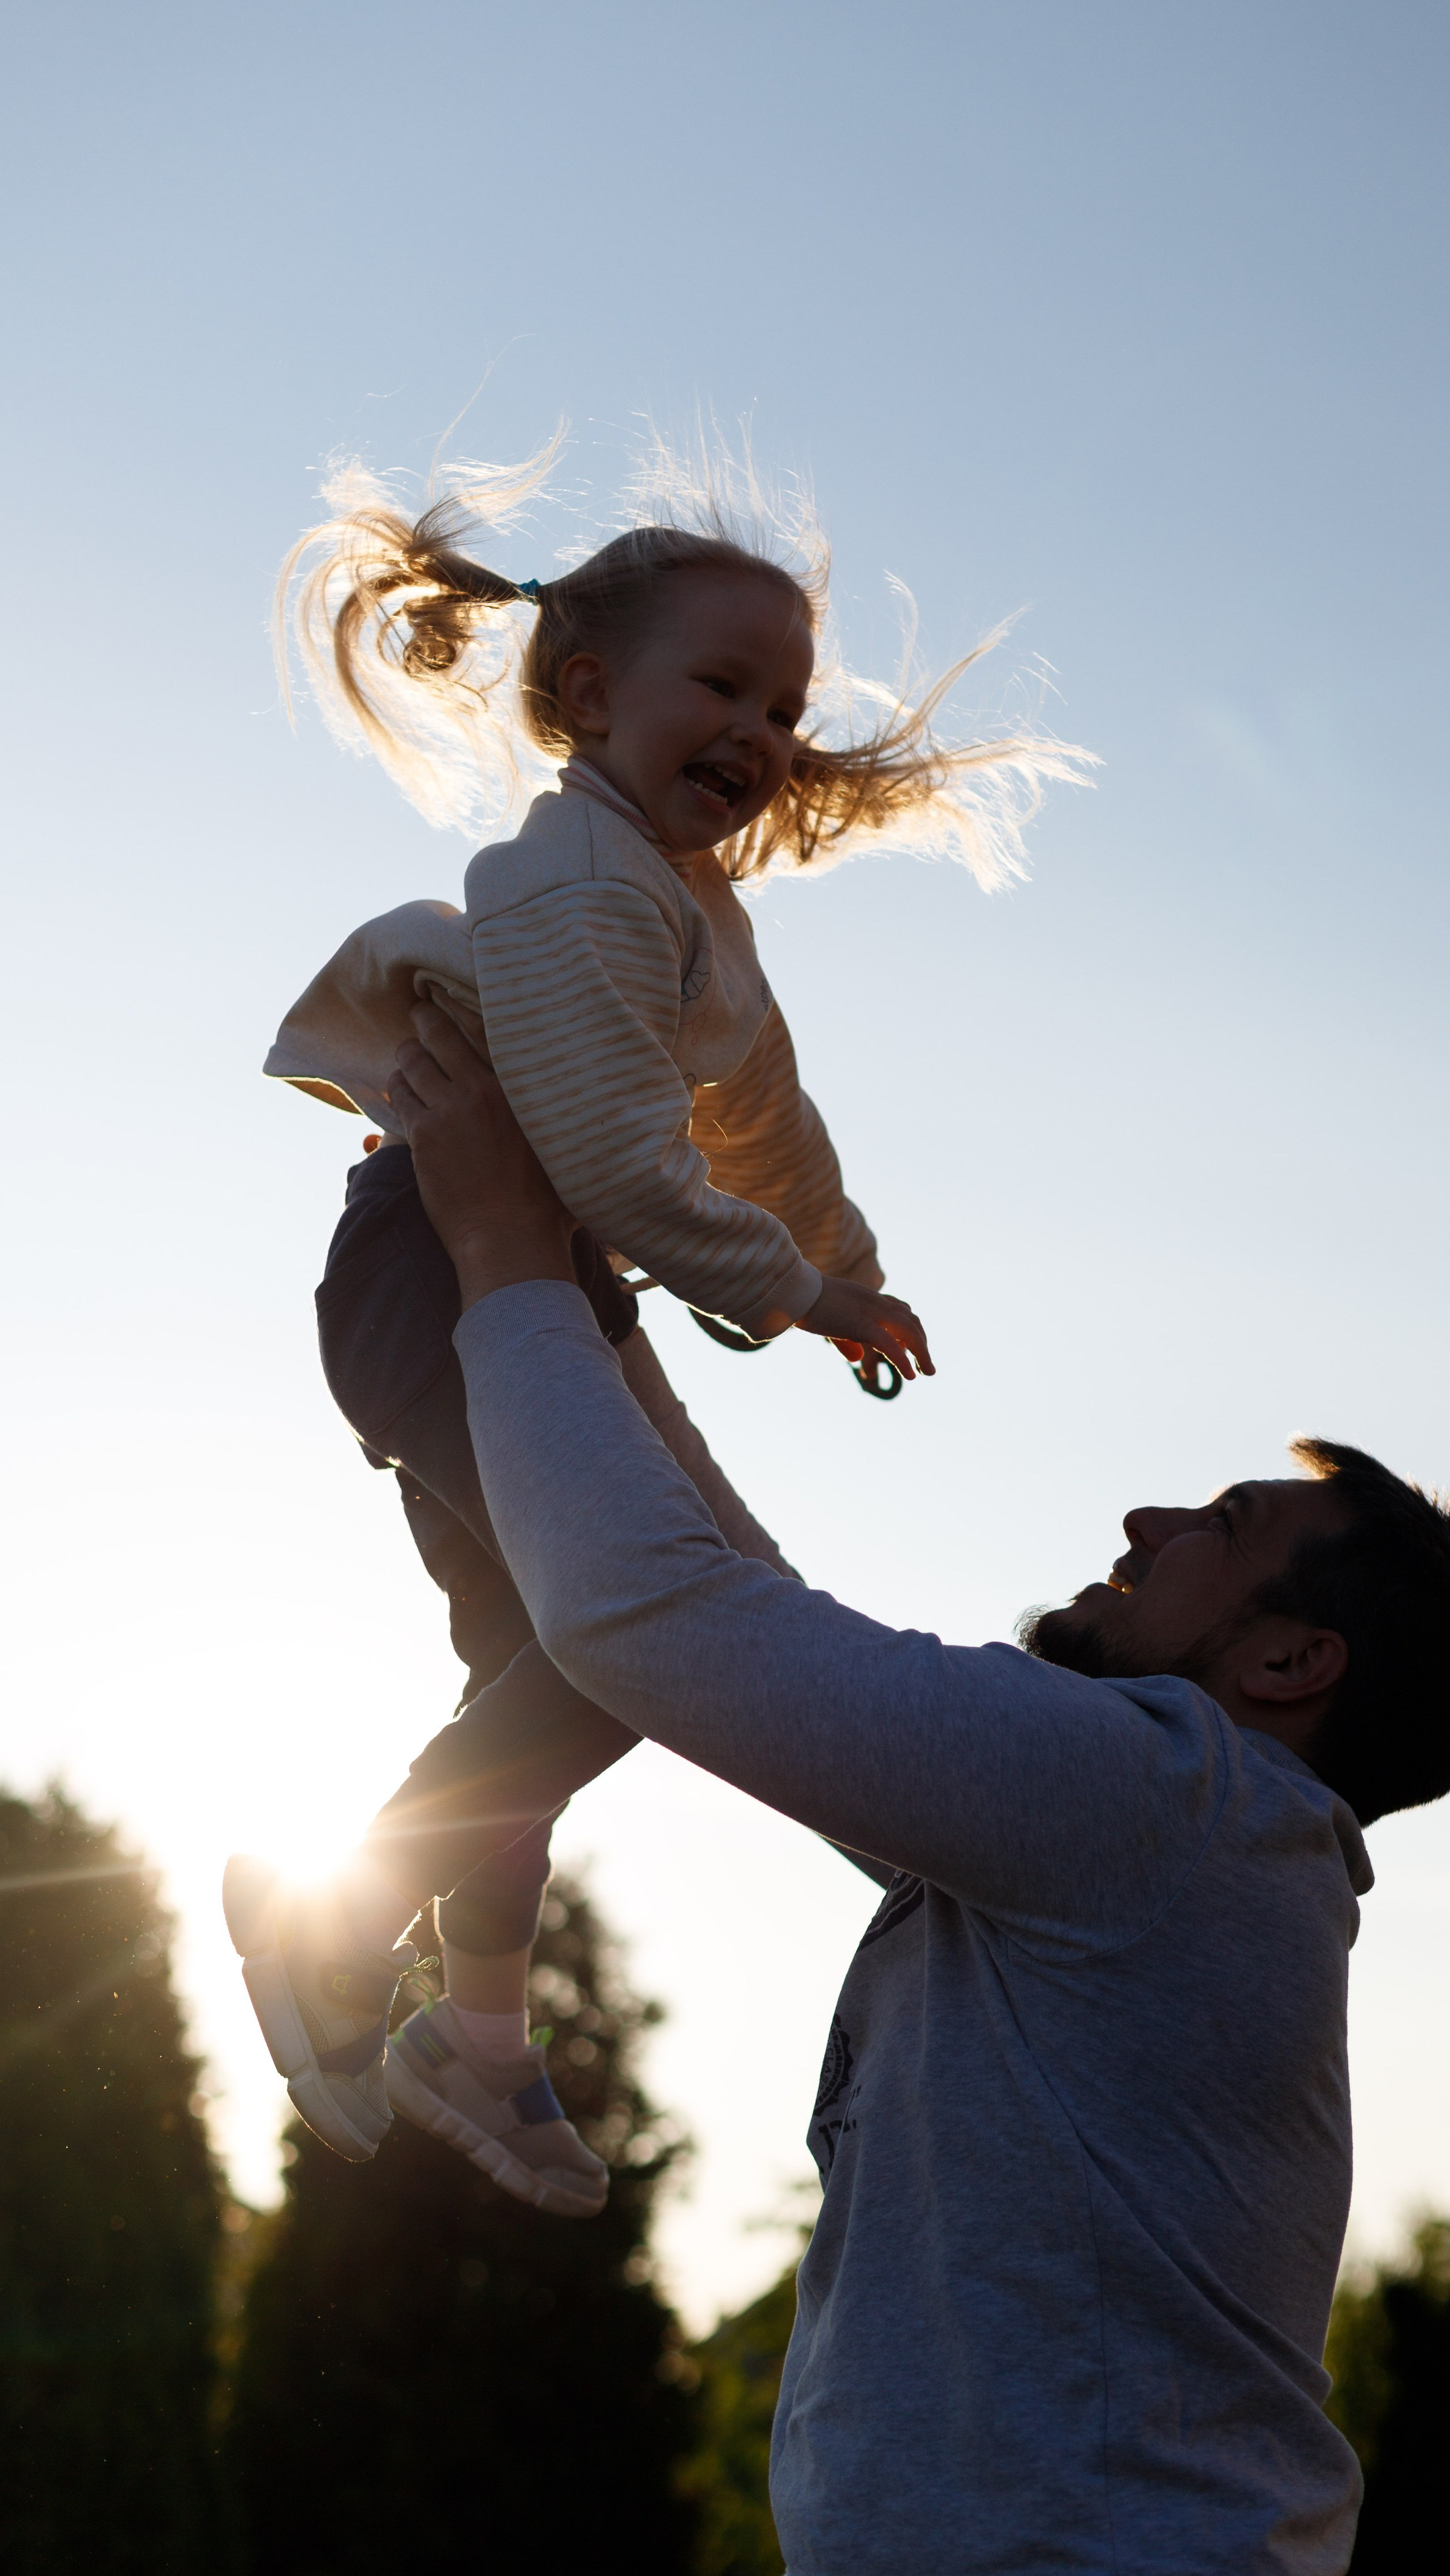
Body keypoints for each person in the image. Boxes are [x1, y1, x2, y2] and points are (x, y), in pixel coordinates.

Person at [370, 1004, 1450, 2574]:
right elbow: (738, 1607)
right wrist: (591, 1310)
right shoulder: (1153, 1852)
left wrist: (498, 1241)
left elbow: (654, 1620)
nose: (1145, 1516)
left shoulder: (1171, 1803)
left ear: (1287, 1667)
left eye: (1220, 1526)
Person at [225, 439, 1089, 2210]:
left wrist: (839, 1259)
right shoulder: (572, 885)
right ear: (595, 693)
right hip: (433, 1268)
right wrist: (789, 1287)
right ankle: (335, 1907)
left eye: (786, 705)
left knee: (527, 1677)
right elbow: (625, 1159)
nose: (766, 733)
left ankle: (468, 2037)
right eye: (727, 687)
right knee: (609, 1648)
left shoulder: (694, 908)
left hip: (531, 1282)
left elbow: (758, 1120)